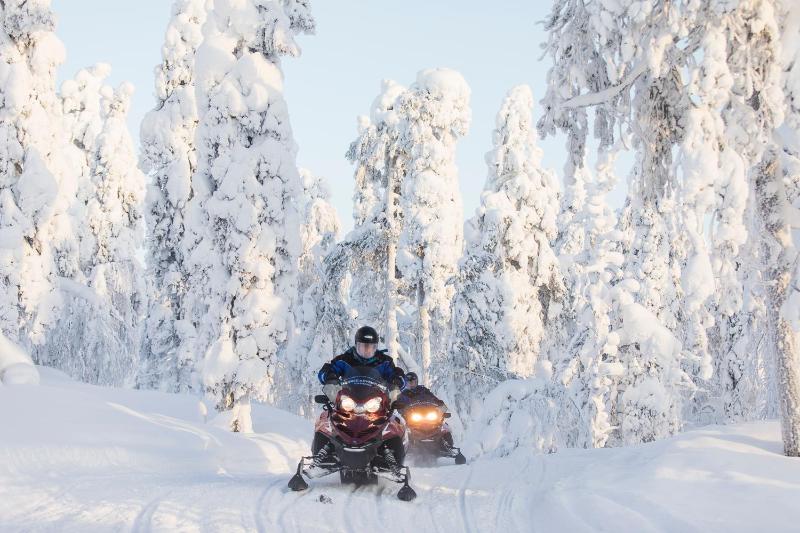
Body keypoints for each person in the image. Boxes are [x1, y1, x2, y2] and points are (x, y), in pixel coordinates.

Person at [317, 325, 406, 401]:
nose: (367, 350)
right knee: (328, 417)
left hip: (376, 402)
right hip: (347, 401)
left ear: (376, 347)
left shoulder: (384, 361)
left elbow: (396, 373)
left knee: (393, 420)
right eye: (363, 346)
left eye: (371, 347)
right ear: (356, 345)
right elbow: (326, 370)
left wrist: (397, 380)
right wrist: (330, 376)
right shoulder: (345, 359)